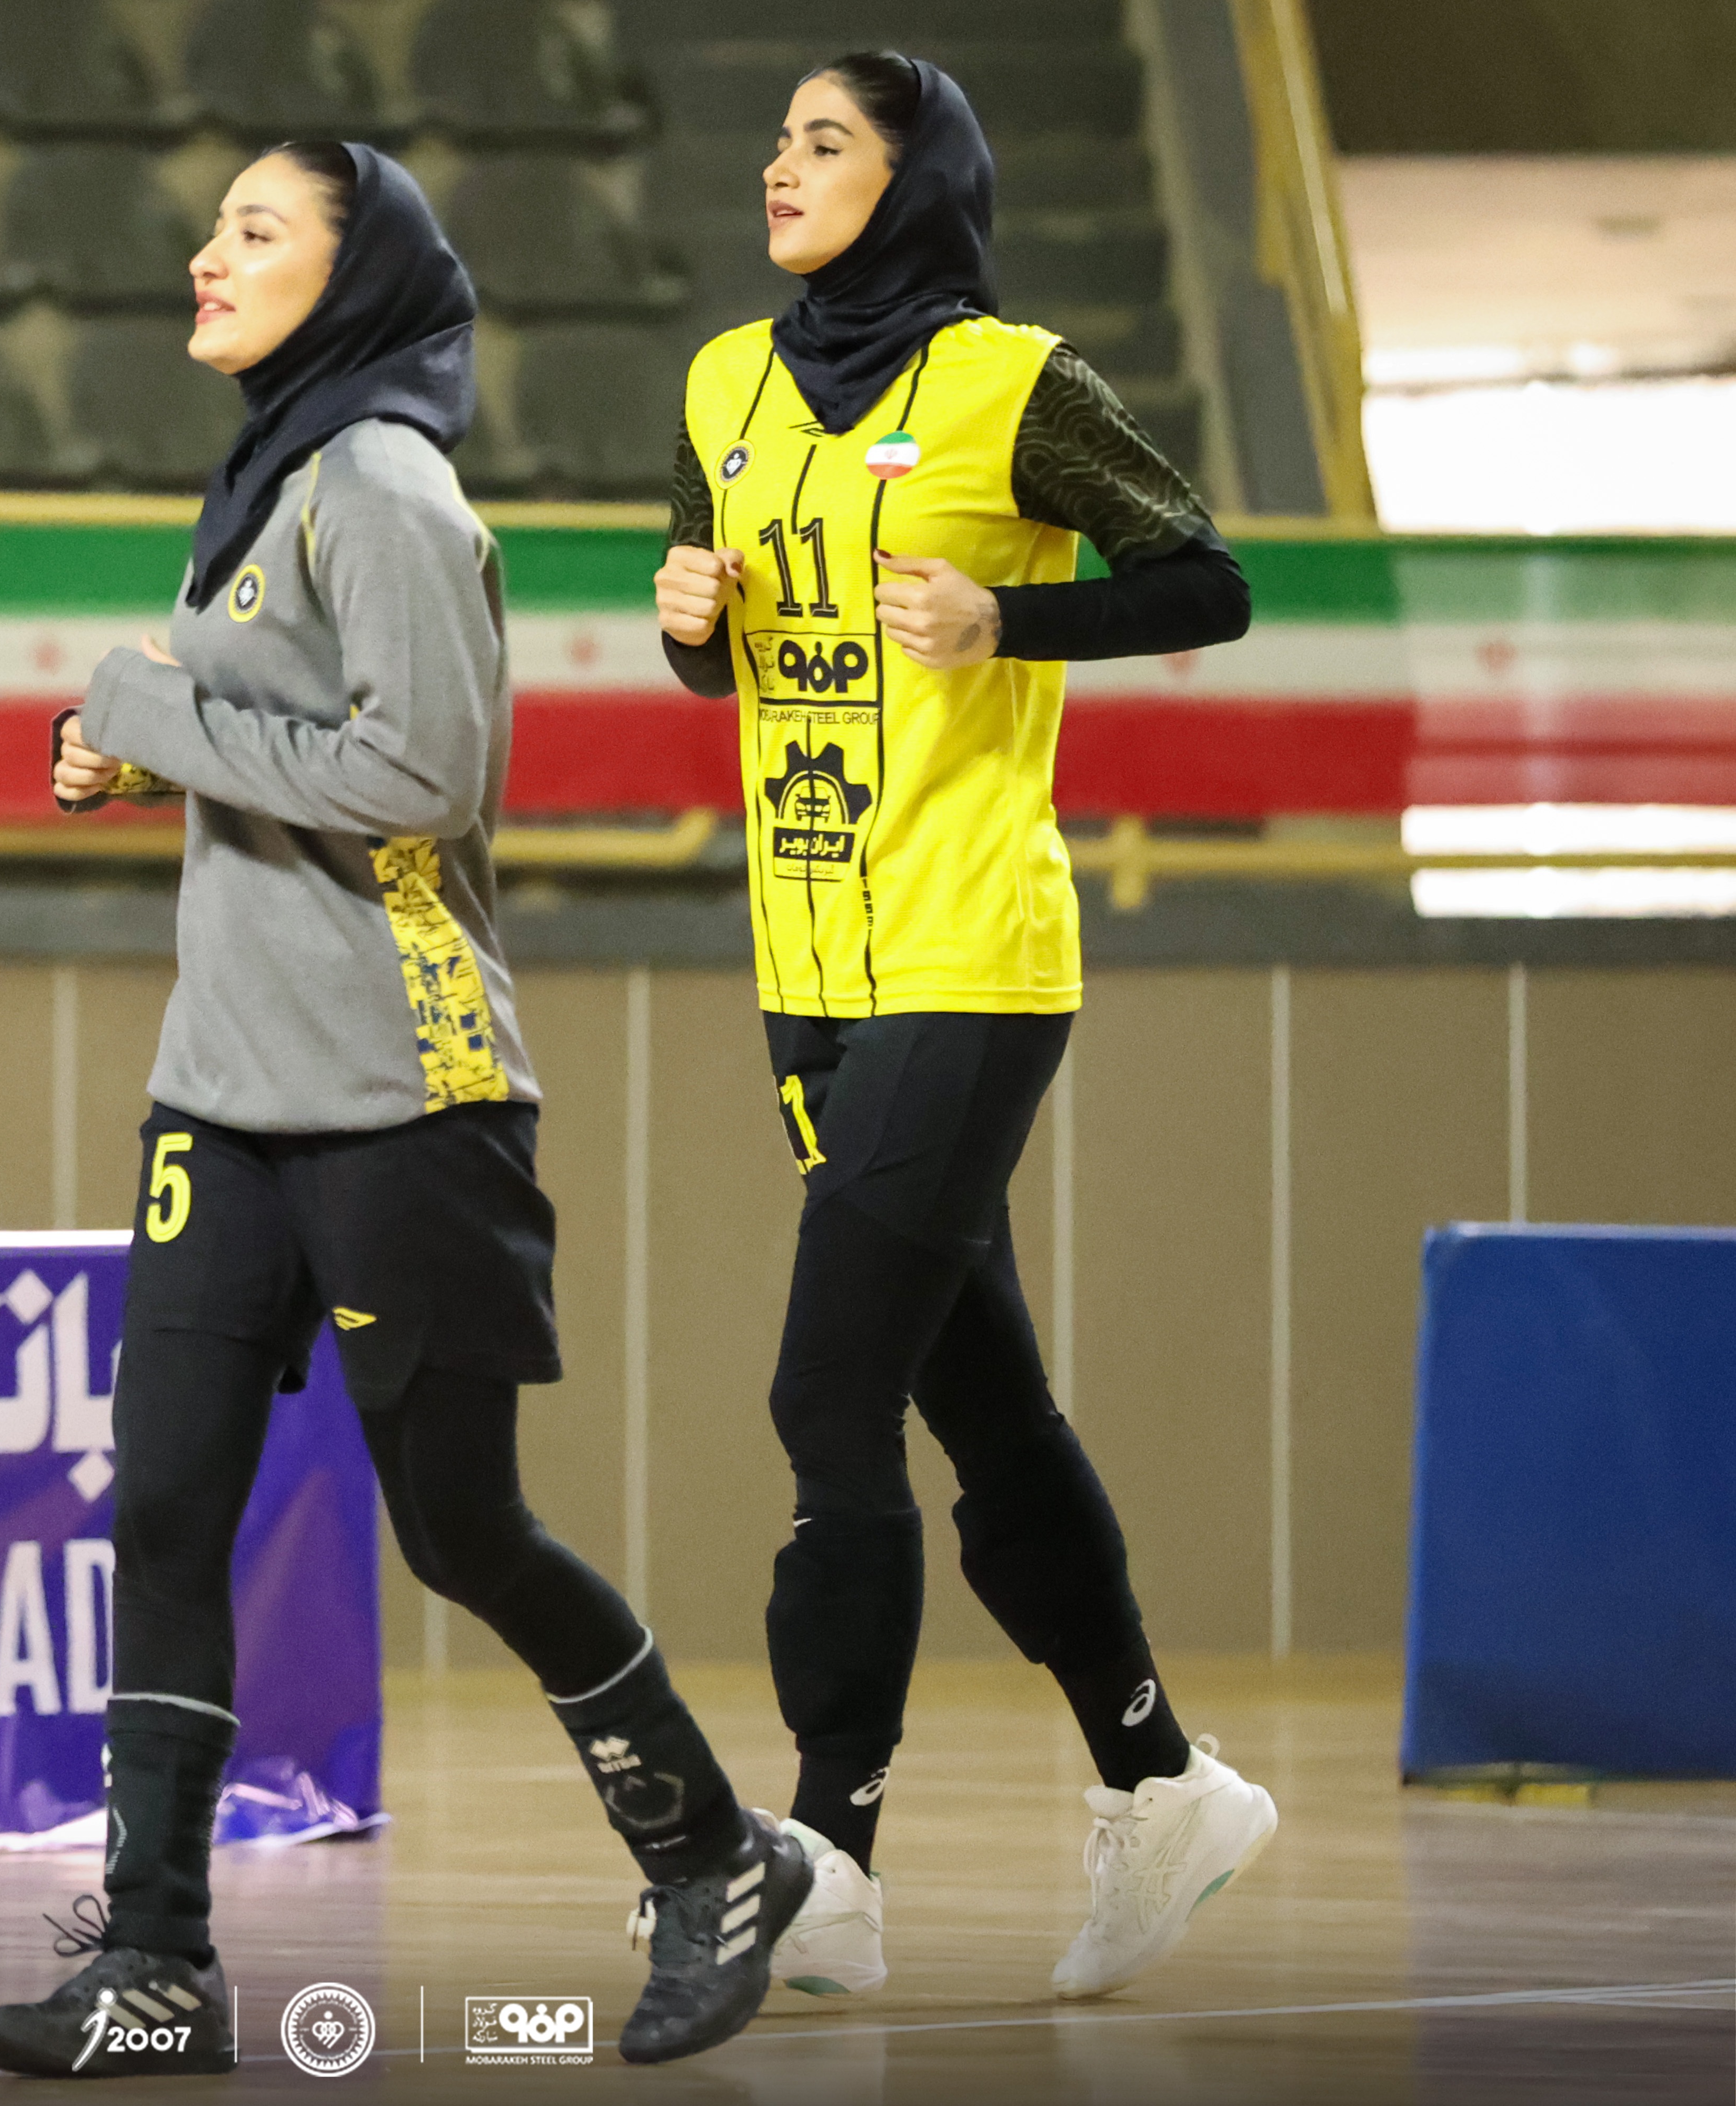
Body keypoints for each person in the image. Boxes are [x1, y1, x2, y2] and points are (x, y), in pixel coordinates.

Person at [0, 142, 809, 2080]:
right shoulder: (269, 478)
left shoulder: (388, 486)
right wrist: (145, 751)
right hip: (224, 1090)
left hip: (402, 1089)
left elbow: (420, 776)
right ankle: (156, 1965)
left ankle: (713, 1859)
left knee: (461, 1527)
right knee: (165, 1509)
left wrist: (155, 713)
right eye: (213, 224)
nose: (208, 252)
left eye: (257, 230)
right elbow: (281, 736)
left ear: (356, 283)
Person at [652, 51, 1276, 2005]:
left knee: (824, 1395)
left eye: (825, 142)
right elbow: (721, 656)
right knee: (983, 1406)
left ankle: (827, 1856)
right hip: (808, 969)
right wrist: (688, 624)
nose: (781, 166)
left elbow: (1211, 583)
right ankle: (1162, 1785)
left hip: (973, 952)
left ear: (917, 175)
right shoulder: (724, 384)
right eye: (778, 141)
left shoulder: (1016, 382)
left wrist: (1016, 624)